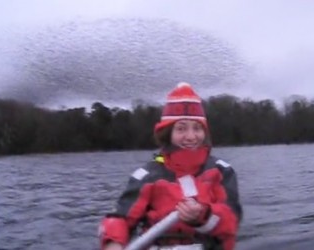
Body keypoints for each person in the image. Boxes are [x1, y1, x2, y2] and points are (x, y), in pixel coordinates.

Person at [98, 82, 242, 250]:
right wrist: (113, 244)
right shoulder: (147, 176)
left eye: (197, 128)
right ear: (168, 134)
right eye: (181, 129)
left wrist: (202, 215)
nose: (191, 136)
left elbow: (232, 220)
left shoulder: (222, 171)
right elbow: (120, 218)